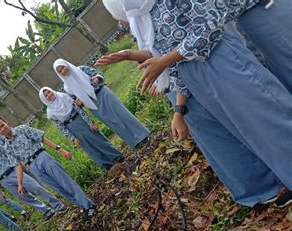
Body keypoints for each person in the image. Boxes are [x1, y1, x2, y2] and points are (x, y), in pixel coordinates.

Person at [100, 0, 292, 208]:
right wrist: (148, 60)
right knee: (252, 129)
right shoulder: (145, 19)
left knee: (267, 115)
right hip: (195, 76)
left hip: (221, 59)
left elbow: (210, 25)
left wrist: (165, 60)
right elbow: (168, 57)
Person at [0, 116, 97, 218]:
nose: (3, 129)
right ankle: (82, 206)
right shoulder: (7, 147)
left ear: (6, 122)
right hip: (32, 167)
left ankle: (89, 205)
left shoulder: (22, 129)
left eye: (2, 125)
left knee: (65, 182)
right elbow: (17, 165)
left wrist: (60, 150)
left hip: (42, 157)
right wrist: (20, 184)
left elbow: (42, 138)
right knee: (58, 188)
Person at [0, 127, 65, 219]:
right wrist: (0, 191)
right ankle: (47, 211)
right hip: (4, 180)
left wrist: (21, 164)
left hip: (14, 170)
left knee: (36, 187)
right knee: (24, 197)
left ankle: (58, 205)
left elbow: (11, 152)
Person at [53, 58, 150, 149]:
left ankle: (143, 135)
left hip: (103, 94)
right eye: (60, 71)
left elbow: (98, 73)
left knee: (122, 114)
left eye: (63, 67)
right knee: (113, 123)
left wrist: (97, 78)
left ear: (66, 64)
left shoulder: (81, 69)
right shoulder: (67, 88)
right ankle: (134, 142)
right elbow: (77, 104)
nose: (63, 71)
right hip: (94, 106)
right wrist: (80, 102)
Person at [39, 86, 124, 170]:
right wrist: (73, 138)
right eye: (46, 96)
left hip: (81, 120)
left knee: (98, 139)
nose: (49, 95)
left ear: (52, 90)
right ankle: (107, 165)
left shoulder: (64, 96)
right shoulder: (50, 113)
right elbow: (61, 127)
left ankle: (116, 156)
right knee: (89, 147)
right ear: (44, 99)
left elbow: (79, 109)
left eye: (49, 92)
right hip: (72, 128)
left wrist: (90, 123)